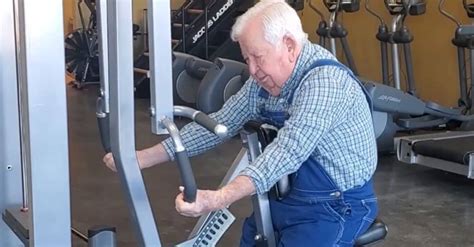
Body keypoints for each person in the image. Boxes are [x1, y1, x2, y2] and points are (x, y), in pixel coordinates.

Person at [103, 0, 378, 245]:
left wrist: (218, 199)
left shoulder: (325, 84)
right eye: (248, 60)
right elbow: (219, 124)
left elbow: (287, 152)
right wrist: (141, 158)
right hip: (288, 200)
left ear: (290, 46)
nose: (253, 71)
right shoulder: (262, 83)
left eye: (258, 58)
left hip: (338, 206)